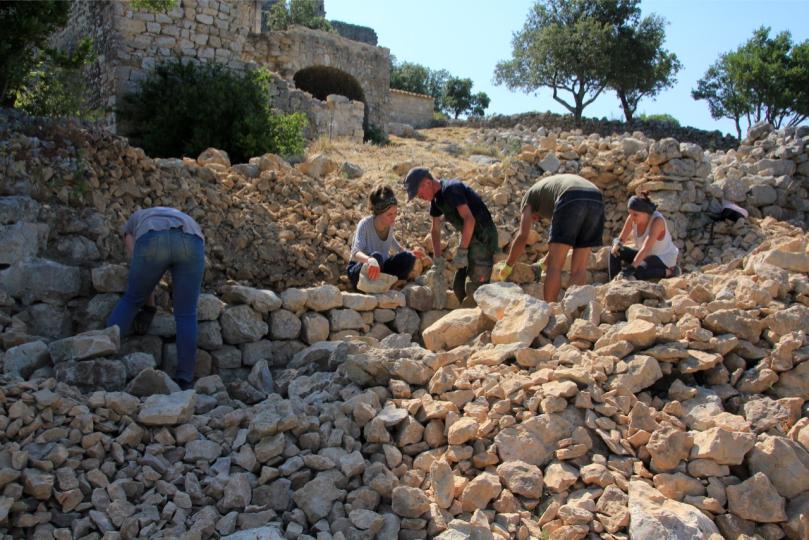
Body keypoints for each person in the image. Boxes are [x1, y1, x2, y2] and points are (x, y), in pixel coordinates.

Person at [107, 207, 205, 390]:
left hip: (153, 237)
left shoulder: (132, 224)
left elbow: (140, 265)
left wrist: (149, 307)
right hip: (192, 239)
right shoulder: (180, 215)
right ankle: (185, 378)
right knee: (186, 314)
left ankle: (102, 356)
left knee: (131, 300)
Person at [501, 174, 604, 302]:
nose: (536, 221)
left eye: (534, 219)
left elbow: (522, 235)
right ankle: (572, 312)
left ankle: (550, 310)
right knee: (579, 268)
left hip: (570, 195)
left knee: (555, 266)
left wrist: (508, 265)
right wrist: (542, 264)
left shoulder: (528, 198)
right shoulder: (548, 198)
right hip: (596, 197)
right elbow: (560, 244)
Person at [403, 167, 498, 305]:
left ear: (427, 183)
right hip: (470, 240)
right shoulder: (436, 201)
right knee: (458, 288)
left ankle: (481, 322)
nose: (419, 198)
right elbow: (435, 231)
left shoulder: (451, 189)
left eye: (418, 193)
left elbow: (469, 219)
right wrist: (437, 260)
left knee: (475, 288)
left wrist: (462, 251)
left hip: (483, 239)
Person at [347, 185, 423, 288]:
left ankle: (386, 283)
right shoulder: (364, 224)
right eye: (389, 214)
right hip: (360, 269)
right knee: (377, 257)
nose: (394, 217)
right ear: (379, 213)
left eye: (395, 213)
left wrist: (409, 253)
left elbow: (395, 245)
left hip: (380, 268)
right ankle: (374, 285)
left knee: (408, 258)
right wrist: (369, 260)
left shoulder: (389, 225)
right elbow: (355, 252)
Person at [609, 193, 680, 280]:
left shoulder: (657, 221)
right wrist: (616, 244)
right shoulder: (632, 218)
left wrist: (632, 268)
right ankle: (614, 282)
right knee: (615, 252)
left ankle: (670, 272)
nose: (632, 217)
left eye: (635, 214)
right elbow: (621, 239)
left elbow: (646, 248)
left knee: (638, 271)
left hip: (662, 257)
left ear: (646, 213)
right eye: (630, 213)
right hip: (646, 255)